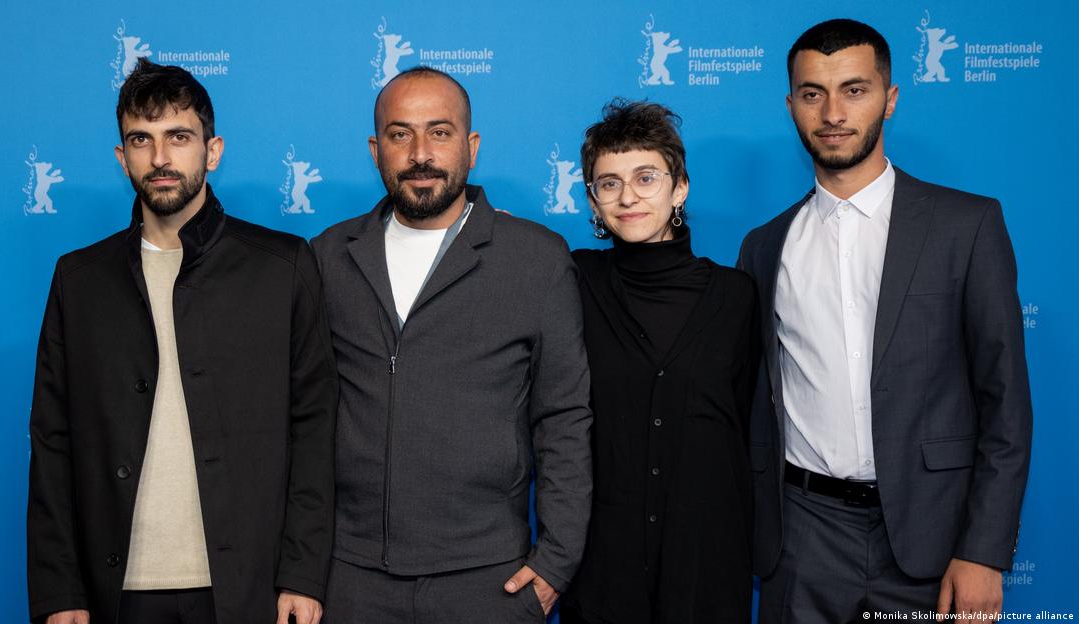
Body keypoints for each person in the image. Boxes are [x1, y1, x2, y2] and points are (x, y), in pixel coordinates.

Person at [737, 19, 1033, 622]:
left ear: (890, 98)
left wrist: (983, 551)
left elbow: (1005, 399)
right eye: (813, 93)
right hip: (802, 538)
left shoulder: (965, 226)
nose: (833, 112)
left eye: (855, 89)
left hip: (935, 539)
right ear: (791, 105)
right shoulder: (765, 246)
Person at [26, 59, 338, 624]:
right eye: (141, 140)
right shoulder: (80, 279)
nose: (161, 158)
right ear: (123, 158)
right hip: (114, 590)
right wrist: (59, 590)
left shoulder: (283, 266)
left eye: (179, 137)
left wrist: (302, 572)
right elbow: (53, 441)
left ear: (211, 150)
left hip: (245, 589)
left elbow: (315, 427)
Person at [310, 67, 592, 623]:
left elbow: (563, 418)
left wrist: (557, 563)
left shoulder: (535, 259)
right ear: (375, 149)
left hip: (489, 581)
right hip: (351, 579)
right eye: (399, 134)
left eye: (439, 132)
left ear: (471, 145)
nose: (420, 153)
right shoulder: (327, 257)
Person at [559, 100, 759, 624]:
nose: (627, 197)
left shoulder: (737, 297)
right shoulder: (571, 281)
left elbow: (744, 428)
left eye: (645, 177)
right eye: (608, 183)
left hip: (706, 568)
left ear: (680, 187)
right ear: (592, 199)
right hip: (603, 571)